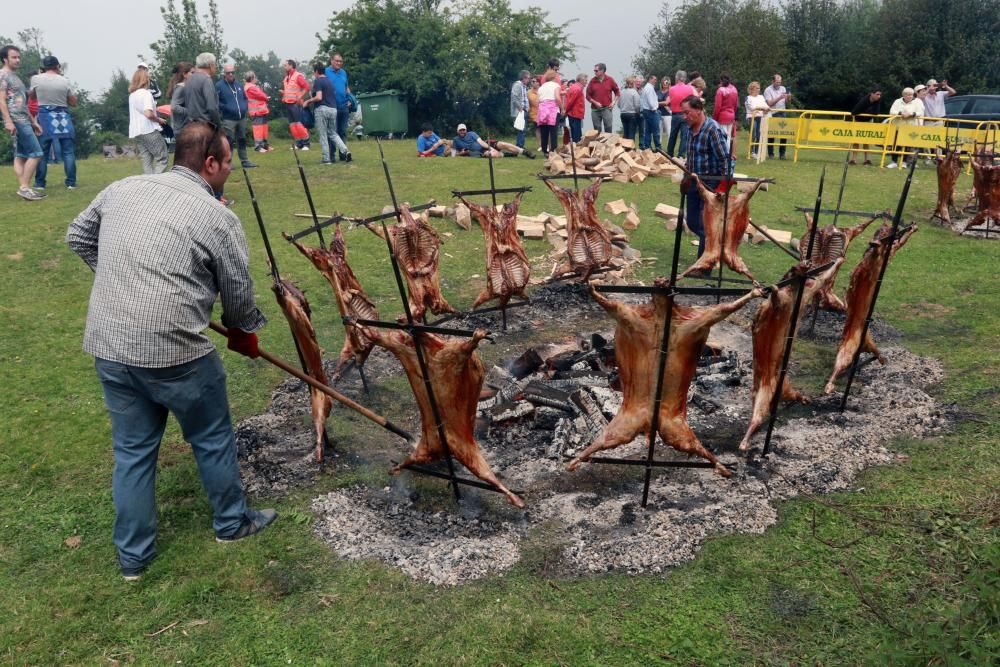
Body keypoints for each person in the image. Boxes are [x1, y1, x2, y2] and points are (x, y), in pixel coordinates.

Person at [66, 122, 277, 581]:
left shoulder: (123, 187)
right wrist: (243, 331)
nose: (228, 174)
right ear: (210, 164)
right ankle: (231, 522)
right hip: (175, 354)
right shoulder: (217, 216)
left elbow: (78, 236)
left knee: (133, 453)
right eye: (226, 164)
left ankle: (133, 560)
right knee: (212, 437)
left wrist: (125, 281)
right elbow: (238, 294)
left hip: (110, 344)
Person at [680, 95, 732, 265]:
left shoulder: (713, 130)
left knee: (706, 224)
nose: (685, 116)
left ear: (699, 110)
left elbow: (726, 158)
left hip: (711, 183)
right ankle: (712, 250)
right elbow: (691, 157)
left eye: (687, 113)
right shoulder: (689, 129)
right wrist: (686, 177)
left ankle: (704, 264)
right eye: (683, 113)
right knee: (693, 222)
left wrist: (724, 184)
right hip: (695, 182)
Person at [1, 45, 46, 200]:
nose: (18, 60)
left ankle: (24, 188)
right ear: (5, 59)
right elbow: (1, 100)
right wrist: (8, 121)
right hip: (16, 120)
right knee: (37, 153)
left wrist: (33, 121)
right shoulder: (2, 75)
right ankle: (24, 187)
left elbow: (23, 102)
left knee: (20, 155)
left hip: (24, 118)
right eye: (14, 57)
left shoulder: (15, 77)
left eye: (19, 57)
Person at [28, 55, 77, 191]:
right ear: (57, 66)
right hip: (62, 116)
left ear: (43, 67)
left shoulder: (36, 79)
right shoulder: (64, 81)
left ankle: (40, 184)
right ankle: (71, 183)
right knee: (68, 151)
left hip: (44, 116)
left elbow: (32, 96)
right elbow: (73, 102)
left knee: (42, 151)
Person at [307, 62, 351, 164]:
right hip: (333, 109)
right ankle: (346, 151)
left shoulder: (318, 81)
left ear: (317, 71)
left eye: (314, 72)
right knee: (333, 133)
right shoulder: (330, 82)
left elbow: (319, 97)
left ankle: (326, 159)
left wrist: (308, 101)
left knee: (323, 134)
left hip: (322, 109)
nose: (314, 74)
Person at [127, 67, 168, 175]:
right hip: (148, 130)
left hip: (136, 132)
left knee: (147, 160)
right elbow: (148, 113)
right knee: (162, 158)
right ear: (145, 80)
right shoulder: (146, 94)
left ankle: (147, 185)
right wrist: (159, 119)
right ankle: (155, 184)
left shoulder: (132, 95)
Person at [216, 63, 256, 169]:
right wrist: (225, 108)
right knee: (229, 140)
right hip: (228, 118)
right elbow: (216, 101)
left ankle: (245, 160)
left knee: (242, 139)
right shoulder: (219, 85)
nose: (230, 74)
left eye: (232, 72)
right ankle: (228, 162)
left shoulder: (238, 85)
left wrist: (244, 106)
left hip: (241, 117)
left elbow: (244, 98)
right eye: (228, 73)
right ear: (224, 74)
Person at [887, 86, 923, 168]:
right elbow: (892, 111)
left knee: (907, 146)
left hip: (909, 128)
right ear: (903, 95)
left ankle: (904, 162)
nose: (910, 96)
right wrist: (901, 113)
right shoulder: (897, 101)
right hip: (897, 127)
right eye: (908, 95)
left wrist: (911, 114)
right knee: (895, 145)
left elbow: (919, 112)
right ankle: (894, 162)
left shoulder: (917, 102)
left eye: (911, 95)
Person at [324, 52, 352, 157]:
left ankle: (344, 154)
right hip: (331, 106)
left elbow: (346, 88)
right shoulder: (326, 71)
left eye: (340, 61)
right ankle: (331, 155)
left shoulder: (343, 72)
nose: (339, 63)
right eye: (337, 61)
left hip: (344, 106)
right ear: (331, 61)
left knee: (343, 131)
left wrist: (350, 99)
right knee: (332, 132)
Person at [451, 123, 533, 158]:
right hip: (480, 152)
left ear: (466, 130)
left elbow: (481, 142)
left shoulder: (472, 133)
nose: (462, 131)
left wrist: (490, 147)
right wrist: (460, 154)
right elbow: (453, 154)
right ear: (457, 131)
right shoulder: (455, 140)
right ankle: (508, 155)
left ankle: (524, 152)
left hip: (485, 144)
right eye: (460, 130)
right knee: (491, 155)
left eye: (463, 130)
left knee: (503, 144)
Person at [847, 86, 882, 165]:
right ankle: (853, 159)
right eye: (877, 94)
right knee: (856, 140)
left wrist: (867, 111)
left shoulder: (878, 100)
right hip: (858, 121)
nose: (879, 96)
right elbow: (854, 112)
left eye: (880, 95)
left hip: (868, 121)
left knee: (866, 140)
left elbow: (876, 112)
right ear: (871, 94)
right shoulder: (864, 100)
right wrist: (869, 111)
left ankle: (867, 160)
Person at [282, 59, 310, 150]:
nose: (284, 67)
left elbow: (306, 87)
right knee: (292, 125)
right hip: (287, 103)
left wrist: (300, 96)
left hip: (295, 104)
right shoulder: (286, 78)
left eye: (285, 65)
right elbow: (288, 90)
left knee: (298, 124)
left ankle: (306, 143)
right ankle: (299, 143)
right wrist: (284, 95)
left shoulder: (298, 76)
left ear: (291, 65)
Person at [666, 70, 695, 157]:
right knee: (684, 136)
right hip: (685, 114)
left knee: (672, 135)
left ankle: (669, 153)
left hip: (675, 114)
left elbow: (670, 101)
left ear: (676, 78)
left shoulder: (671, 89)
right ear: (684, 78)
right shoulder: (690, 88)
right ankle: (681, 155)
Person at [763, 73, 791, 159]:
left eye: (780, 82)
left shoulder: (783, 88)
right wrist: (779, 97)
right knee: (771, 134)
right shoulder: (768, 90)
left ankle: (782, 154)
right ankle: (771, 154)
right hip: (773, 113)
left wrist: (788, 97)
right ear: (773, 81)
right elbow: (769, 103)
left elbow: (787, 102)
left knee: (784, 134)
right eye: (777, 82)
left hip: (782, 112)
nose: (779, 84)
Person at [585, 63, 619, 133]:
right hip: (595, 110)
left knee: (608, 128)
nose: (595, 72)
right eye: (594, 71)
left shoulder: (610, 80)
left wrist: (613, 102)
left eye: (596, 71)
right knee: (597, 130)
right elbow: (587, 96)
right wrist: (595, 102)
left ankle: (608, 144)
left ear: (602, 70)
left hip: (607, 109)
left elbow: (617, 92)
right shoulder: (592, 81)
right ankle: (597, 144)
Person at [244, 71, 273, 153]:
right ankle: (258, 147)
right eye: (255, 77)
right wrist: (266, 97)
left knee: (264, 128)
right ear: (252, 78)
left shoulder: (252, 86)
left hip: (261, 110)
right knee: (258, 129)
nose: (256, 78)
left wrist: (264, 96)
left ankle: (264, 145)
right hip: (256, 111)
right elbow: (261, 95)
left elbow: (260, 95)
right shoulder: (250, 87)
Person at [537, 71, 563, 156]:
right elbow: (557, 98)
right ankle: (553, 149)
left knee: (544, 130)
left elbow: (539, 100)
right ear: (554, 78)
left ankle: (545, 150)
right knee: (553, 131)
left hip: (542, 109)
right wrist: (562, 109)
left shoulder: (541, 87)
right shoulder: (556, 86)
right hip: (552, 109)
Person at [166, 62, 193, 135]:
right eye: (192, 72)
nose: (194, 75)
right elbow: (174, 107)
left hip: (183, 128)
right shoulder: (181, 88)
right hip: (182, 129)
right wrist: (191, 112)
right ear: (184, 74)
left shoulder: (183, 87)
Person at [744, 81, 768, 160]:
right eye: (756, 88)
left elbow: (766, 106)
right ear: (751, 89)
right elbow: (752, 108)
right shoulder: (748, 98)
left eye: (759, 88)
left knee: (758, 135)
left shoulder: (761, 97)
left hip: (760, 117)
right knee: (753, 134)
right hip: (751, 117)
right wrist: (762, 108)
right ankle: (751, 152)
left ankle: (757, 152)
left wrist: (766, 109)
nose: (758, 90)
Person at [712, 72, 739, 145]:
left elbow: (717, 106)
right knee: (729, 137)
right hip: (731, 115)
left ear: (721, 81)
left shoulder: (720, 90)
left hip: (722, 116)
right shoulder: (734, 89)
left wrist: (714, 118)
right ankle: (727, 154)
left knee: (722, 137)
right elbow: (736, 105)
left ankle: (723, 154)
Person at [639, 74, 661, 150]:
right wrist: (654, 108)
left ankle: (647, 146)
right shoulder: (649, 88)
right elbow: (650, 100)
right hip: (651, 111)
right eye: (654, 79)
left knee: (648, 130)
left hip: (646, 111)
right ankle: (658, 147)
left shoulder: (646, 88)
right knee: (656, 130)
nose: (655, 81)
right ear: (650, 79)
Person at [618, 75, 641, 143]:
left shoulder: (622, 92)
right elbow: (637, 105)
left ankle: (624, 149)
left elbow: (618, 104)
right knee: (631, 133)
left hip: (623, 114)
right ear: (632, 83)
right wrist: (638, 112)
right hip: (632, 114)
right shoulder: (634, 92)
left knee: (625, 133)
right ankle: (631, 150)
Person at [510, 69, 530, 148]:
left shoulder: (524, 86)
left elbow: (525, 98)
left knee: (523, 129)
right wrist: (520, 108)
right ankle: (519, 145)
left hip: (524, 110)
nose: (529, 80)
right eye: (528, 78)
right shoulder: (517, 85)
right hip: (519, 111)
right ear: (523, 77)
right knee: (521, 129)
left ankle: (520, 144)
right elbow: (514, 97)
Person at [565, 73, 587, 143]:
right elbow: (570, 102)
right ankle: (577, 149)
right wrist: (566, 111)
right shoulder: (577, 89)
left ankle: (575, 148)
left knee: (575, 132)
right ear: (581, 80)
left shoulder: (575, 87)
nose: (587, 82)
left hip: (574, 113)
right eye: (586, 80)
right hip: (575, 113)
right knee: (577, 134)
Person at [527, 76, 541, 150]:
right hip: (534, 113)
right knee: (537, 129)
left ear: (538, 82)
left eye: (534, 81)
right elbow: (528, 103)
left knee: (544, 129)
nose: (532, 83)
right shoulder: (529, 92)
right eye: (532, 81)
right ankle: (540, 144)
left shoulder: (542, 90)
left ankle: (546, 144)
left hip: (543, 113)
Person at [657, 77, 671, 142]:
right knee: (659, 132)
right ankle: (659, 148)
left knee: (669, 132)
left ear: (669, 84)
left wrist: (656, 103)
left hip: (667, 114)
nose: (665, 84)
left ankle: (669, 149)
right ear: (662, 83)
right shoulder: (657, 92)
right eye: (664, 82)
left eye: (667, 82)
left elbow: (666, 102)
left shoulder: (670, 92)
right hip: (659, 114)